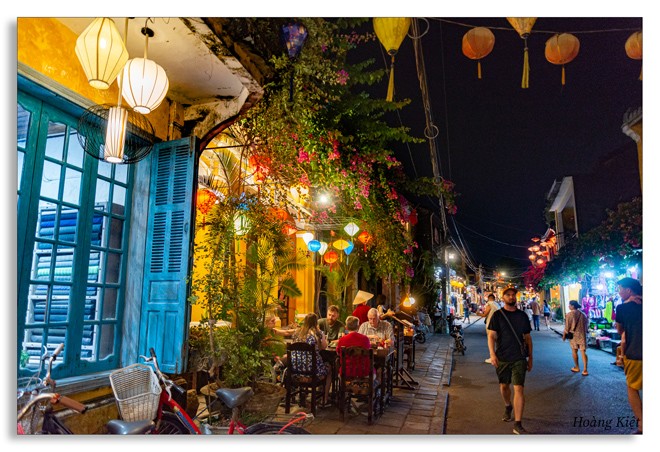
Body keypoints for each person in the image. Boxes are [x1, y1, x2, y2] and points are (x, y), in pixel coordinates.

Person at [487, 286, 533, 435]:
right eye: (508, 295)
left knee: (519, 388)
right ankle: (508, 406)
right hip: (502, 357)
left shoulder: (522, 316)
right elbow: (491, 336)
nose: (511, 297)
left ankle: (518, 423)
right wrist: (492, 354)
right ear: (503, 297)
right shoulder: (498, 315)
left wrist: (530, 357)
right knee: (504, 386)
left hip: (519, 357)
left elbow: (528, 338)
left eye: (513, 295)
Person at [615, 277, 643, 434]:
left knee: (633, 388)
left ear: (629, 290)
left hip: (635, 353)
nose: (619, 292)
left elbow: (620, 330)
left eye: (620, 289)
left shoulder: (622, 308)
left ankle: (642, 424)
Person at [290, 313, 332, 406]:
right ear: (316, 322)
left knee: (308, 363)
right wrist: (322, 336)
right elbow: (324, 347)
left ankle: (302, 394)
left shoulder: (297, 333)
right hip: (313, 373)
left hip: (296, 371)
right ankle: (324, 399)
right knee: (329, 368)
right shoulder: (317, 333)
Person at [562, 300, 589, 376]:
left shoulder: (569, 314)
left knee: (574, 351)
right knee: (583, 352)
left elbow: (567, 327)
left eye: (569, 305)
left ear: (573, 306)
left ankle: (577, 367)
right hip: (582, 335)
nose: (568, 306)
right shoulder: (583, 314)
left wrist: (564, 335)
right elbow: (587, 325)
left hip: (573, 335)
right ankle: (585, 370)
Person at [480, 294, 501, 363]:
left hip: (490, 325)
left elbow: (485, 314)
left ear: (489, 298)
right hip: (498, 325)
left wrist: (478, 313)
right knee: (498, 341)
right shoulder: (497, 305)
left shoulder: (489, 304)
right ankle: (498, 356)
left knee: (491, 340)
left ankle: (492, 358)